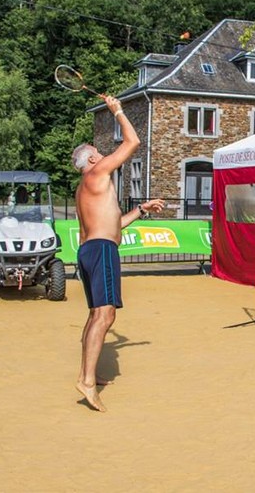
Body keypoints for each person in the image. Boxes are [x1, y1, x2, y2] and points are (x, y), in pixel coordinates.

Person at [71, 95, 165, 412]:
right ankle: (86, 380)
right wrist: (118, 111)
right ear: (92, 159)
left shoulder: (84, 188)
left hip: (90, 249)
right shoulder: (98, 173)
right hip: (101, 250)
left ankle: (87, 374)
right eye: (98, 153)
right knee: (106, 315)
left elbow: (113, 224)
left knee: (95, 315)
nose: (103, 155)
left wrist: (141, 209)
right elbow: (133, 141)